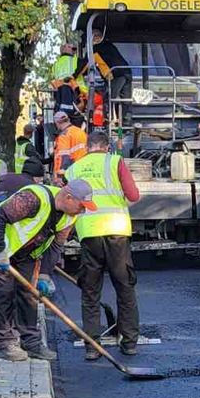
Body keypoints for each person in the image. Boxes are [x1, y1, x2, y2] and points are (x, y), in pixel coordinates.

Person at [0, 179, 96, 362]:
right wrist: (0, 250)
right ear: (68, 197)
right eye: (81, 206)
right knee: (4, 293)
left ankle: (31, 343)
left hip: (27, 252)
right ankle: (4, 343)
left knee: (28, 294)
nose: (83, 210)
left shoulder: (69, 216)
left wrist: (44, 274)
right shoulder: (33, 198)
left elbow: (56, 246)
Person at [70, 130, 141, 358]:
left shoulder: (74, 169)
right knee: (125, 288)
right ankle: (129, 343)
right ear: (107, 147)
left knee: (90, 292)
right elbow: (133, 195)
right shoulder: (115, 161)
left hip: (89, 234)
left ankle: (92, 347)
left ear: (87, 147)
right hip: (116, 232)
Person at [0, 155, 41, 331]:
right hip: (6, 236)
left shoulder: (6, 177)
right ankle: (10, 321)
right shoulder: (34, 190)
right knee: (5, 280)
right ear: (38, 177)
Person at [51, 110, 88, 184]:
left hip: (69, 175)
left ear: (57, 123)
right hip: (83, 171)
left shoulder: (64, 135)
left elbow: (64, 156)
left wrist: (60, 177)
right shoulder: (80, 132)